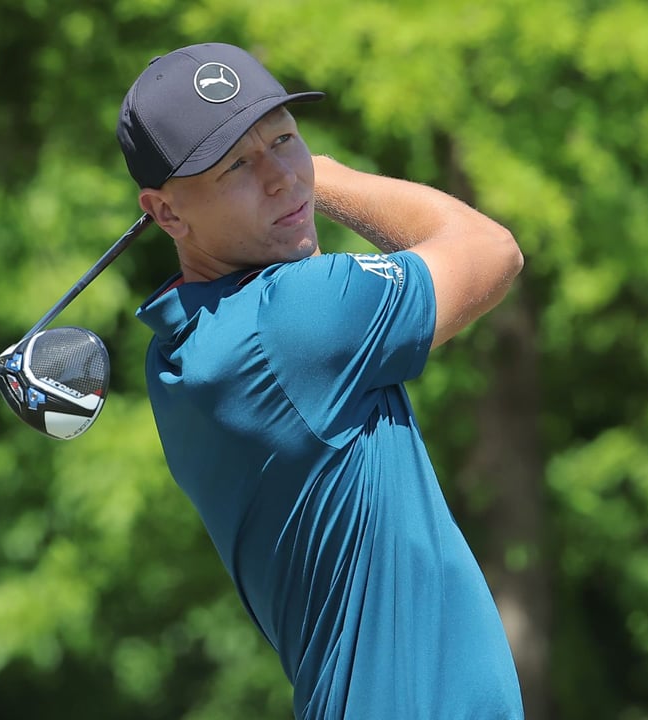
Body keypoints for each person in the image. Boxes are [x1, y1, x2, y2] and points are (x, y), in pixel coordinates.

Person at [117, 42, 526, 719]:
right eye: (238, 166)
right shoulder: (293, 320)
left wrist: (279, 173)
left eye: (285, 140)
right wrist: (325, 177)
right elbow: (491, 251)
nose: (281, 177)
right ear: (166, 214)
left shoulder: (176, 355)